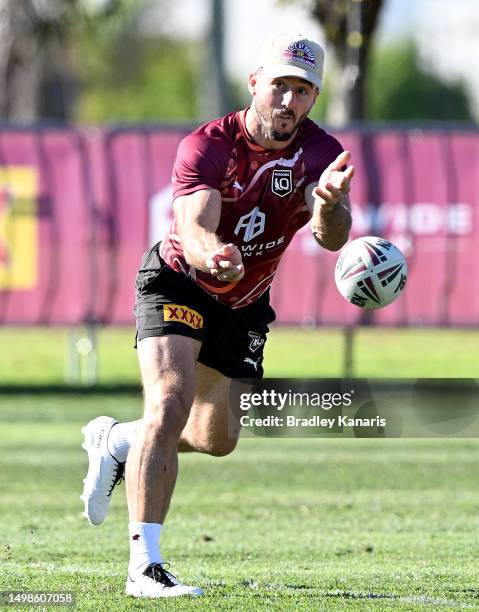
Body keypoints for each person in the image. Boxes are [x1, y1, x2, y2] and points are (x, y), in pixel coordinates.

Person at [80, 32, 354, 598]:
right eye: (279, 85)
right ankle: (144, 568)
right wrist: (213, 255)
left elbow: (332, 239)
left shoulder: (322, 154)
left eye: (302, 91)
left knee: (217, 438)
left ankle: (119, 442)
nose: (288, 101)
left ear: (313, 98)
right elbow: (192, 226)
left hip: (246, 303)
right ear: (255, 83)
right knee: (170, 400)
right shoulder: (208, 144)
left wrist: (329, 207)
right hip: (180, 279)